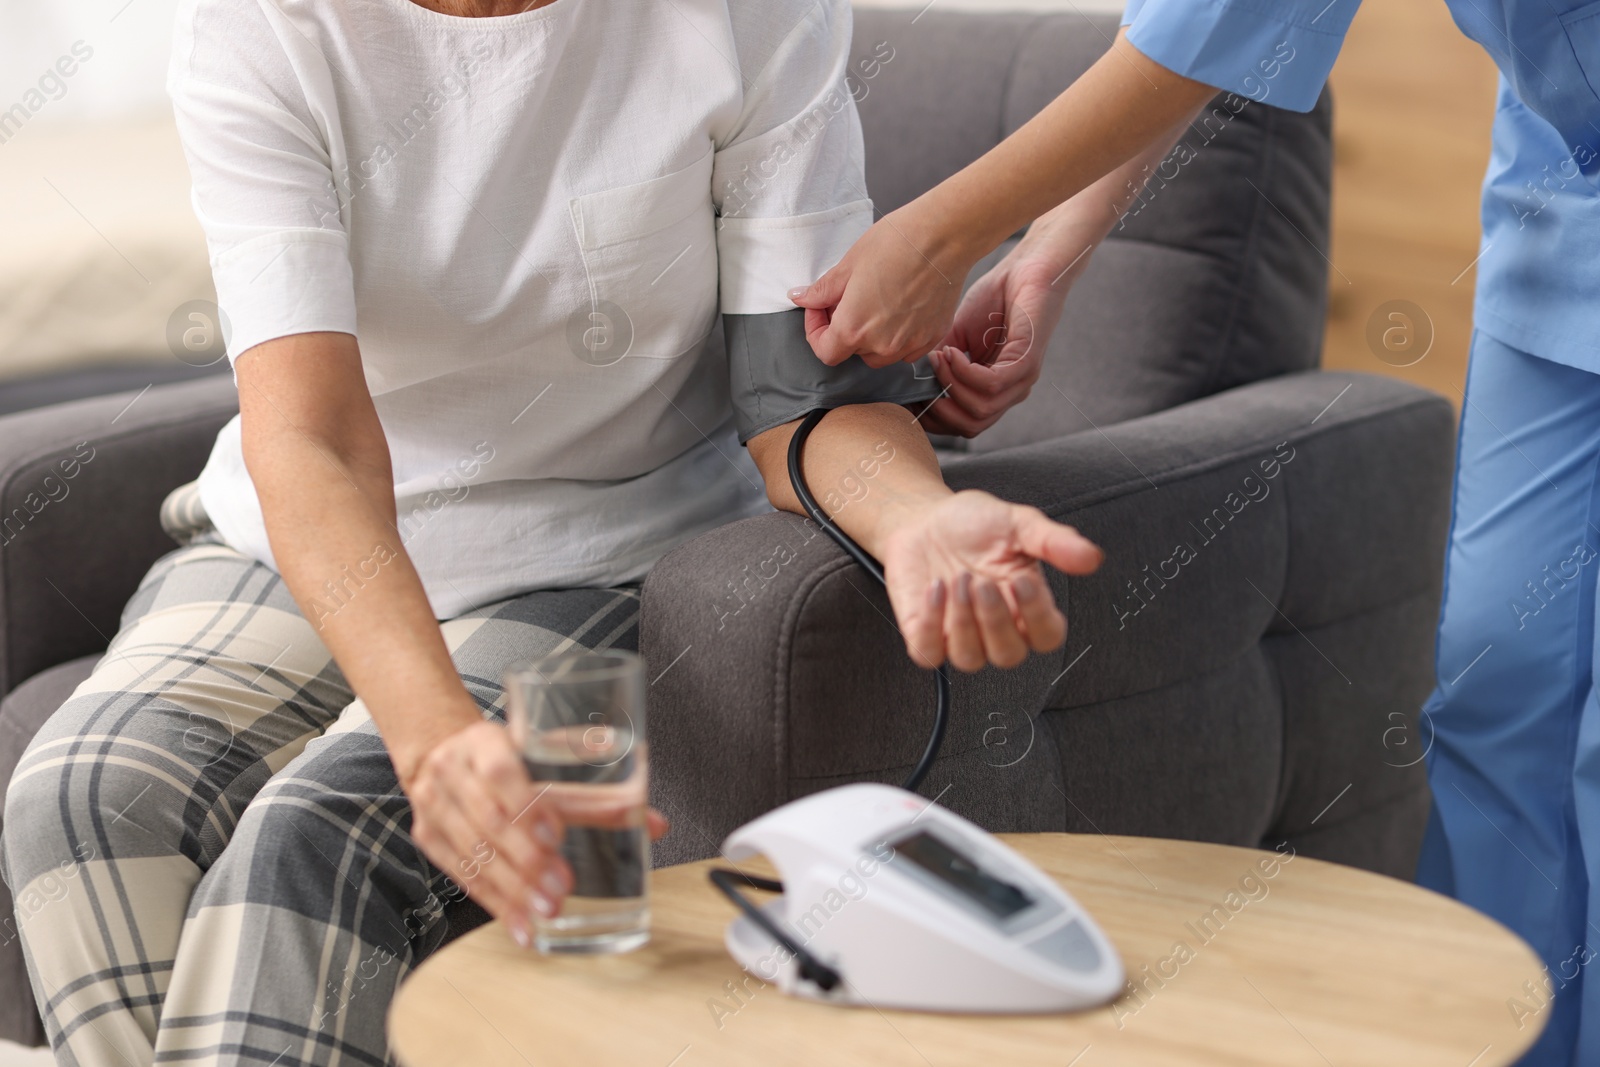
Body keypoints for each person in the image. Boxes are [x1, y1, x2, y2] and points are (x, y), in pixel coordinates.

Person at [0, 2, 1107, 1065]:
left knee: (319, 842)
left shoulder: (745, 13)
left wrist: (920, 516)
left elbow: (800, 397)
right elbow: (315, 442)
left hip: (592, 543)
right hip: (304, 534)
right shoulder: (263, 22)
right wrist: (432, 735)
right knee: (86, 800)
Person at [790, 2, 1600, 1062]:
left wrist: (940, 235)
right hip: (1562, 190)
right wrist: (1050, 251)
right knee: (1502, 683)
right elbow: (1220, 14)